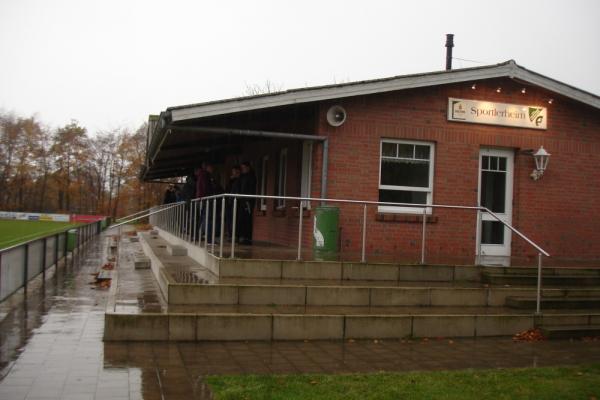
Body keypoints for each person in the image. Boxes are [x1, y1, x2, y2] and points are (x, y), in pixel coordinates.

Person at [238, 161, 257, 245]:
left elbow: (251, 189)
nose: (243, 170)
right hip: (242, 201)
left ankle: (247, 238)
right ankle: (242, 237)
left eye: (244, 168)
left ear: (248, 167)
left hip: (248, 201)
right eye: (242, 168)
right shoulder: (242, 177)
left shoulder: (252, 176)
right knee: (242, 219)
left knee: (247, 219)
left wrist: (248, 200)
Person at [225, 165, 241, 239]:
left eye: (234, 172)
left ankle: (234, 235)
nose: (233, 173)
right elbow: (228, 189)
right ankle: (230, 234)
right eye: (233, 172)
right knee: (229, 219)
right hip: (230, 201)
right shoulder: (232, 181)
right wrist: (230, 180)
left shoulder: (240, 180)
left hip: (235, 202)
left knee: (234, 219)